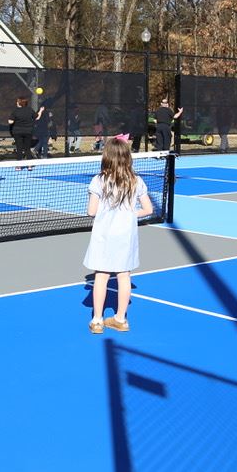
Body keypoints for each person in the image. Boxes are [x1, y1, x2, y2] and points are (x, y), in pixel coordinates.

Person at [84, 136, 154, 334]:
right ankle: (120, 319)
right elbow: (148, 209)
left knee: (101, 275)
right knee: (124, 275)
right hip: (126, 236)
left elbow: (91, 211)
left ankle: (97, 321)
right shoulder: (136, 181)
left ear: (106, 157)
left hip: (104, 236)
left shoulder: (98, 181)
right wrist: (130, 214)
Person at [8, 95, 36, 166]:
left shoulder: (15, 111)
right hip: (28, 132)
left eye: (17, 101)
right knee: (27, 148)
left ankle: (19, 166)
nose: (16, 103)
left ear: (19, 103)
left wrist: (11, 120)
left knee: (19, 148)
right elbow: (36, 117)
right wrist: (41, 111)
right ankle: (29, 166)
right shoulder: (30, 110)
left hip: (17, 132)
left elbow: (10, 122)